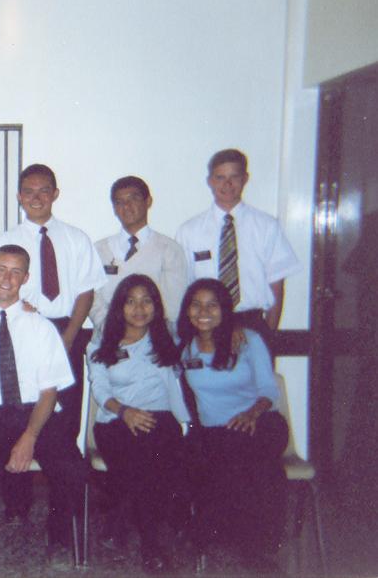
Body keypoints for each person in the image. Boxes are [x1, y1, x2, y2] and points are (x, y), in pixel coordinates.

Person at [0, 245, 83, 551]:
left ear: (26, 278)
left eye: (15, 272)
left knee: (71, 469)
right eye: (1, 270)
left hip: (37, 414)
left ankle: (59, 539)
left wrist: (29, 437)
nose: (7, 278)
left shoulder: (41, 327)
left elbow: (49, 392)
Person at [177, 278, 288, 572]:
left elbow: (269, 389)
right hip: (216, 432)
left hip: (261, 422)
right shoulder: (184, 350)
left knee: (240, 458)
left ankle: (211, 528)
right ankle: (254, 545)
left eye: (212, 305)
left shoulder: (248, 340)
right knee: (253, 467)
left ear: (225, 310)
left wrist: (251, 414)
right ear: (187, 310)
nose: (204, 311)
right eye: (196, 304)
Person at [0, 164, 106, 444]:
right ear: (19, 196)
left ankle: (63, 462)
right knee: (26, 402)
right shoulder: (7, 240)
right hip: (23, 330)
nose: (36, 198)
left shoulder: (76, 238)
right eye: (29, 192)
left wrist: (69, 337)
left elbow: (86, 292)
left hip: (67, 328)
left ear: (55, 194)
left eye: (44, 191)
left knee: (66, 410)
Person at [87, 274, 189, 573]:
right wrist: (125, 412)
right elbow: (100, 390)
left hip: (162, 421)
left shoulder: (170, 337)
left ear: (157, 306)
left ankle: (123, 518)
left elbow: (209, 330)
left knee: (150, 461)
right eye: (131, 301)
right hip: (116, 421)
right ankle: (151, 544)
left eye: (146, 301)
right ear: (120, 307)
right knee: (146, 465)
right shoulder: (102, 342)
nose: (139, 308)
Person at [175, 149, 301, 348]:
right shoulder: (189, 231)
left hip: (252, 324)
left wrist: (268, 335)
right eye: (220, 178)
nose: (227, 184)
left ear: (245, 179)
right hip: (206, 325)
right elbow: (184, 287)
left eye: (234, 177)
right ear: (210, 181)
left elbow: (277, 286)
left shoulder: (267, 226)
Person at [91, 176, 187, 331]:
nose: (126, 206)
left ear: (148, 201)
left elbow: (173, 305)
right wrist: (111, 329)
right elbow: (93, 297)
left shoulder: (169, 249)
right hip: (108, 335)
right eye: (119, 202)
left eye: (133, 199)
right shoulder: (98, 250)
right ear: (114, 208)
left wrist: (143, 335)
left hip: (154, 338)